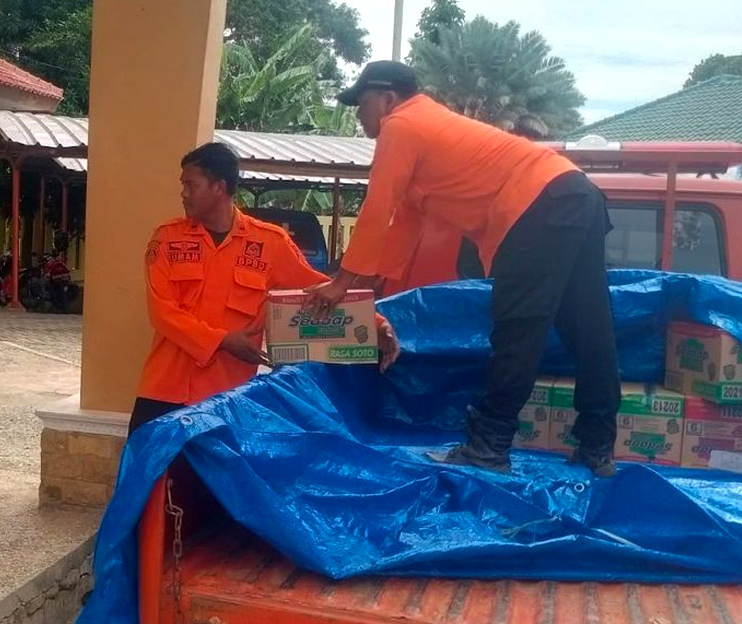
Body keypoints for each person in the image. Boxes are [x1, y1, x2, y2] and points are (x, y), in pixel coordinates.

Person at [307, 61, 620, 477]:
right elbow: (402, 224)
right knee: (588, 325)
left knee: (518, 329)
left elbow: (376, 207)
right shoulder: (429, 129)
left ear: (387, 99)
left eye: (360, 103)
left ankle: (488, 446)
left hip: (535, 206)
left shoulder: (401, 125)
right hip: (576, 192)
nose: (358, 114)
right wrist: (372, 292)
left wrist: (341, 284)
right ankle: (597, 447)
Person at [129, 142, 401, 435]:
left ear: (219, 187)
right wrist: (222, 340)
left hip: (227, 395)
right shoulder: (168, 239)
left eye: (190, 185)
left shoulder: (269, 243)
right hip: (163, 389)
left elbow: (320, 288)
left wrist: (376, 325)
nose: (183, 193)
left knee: (213, 480)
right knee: (148, 475)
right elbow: (162, 312)